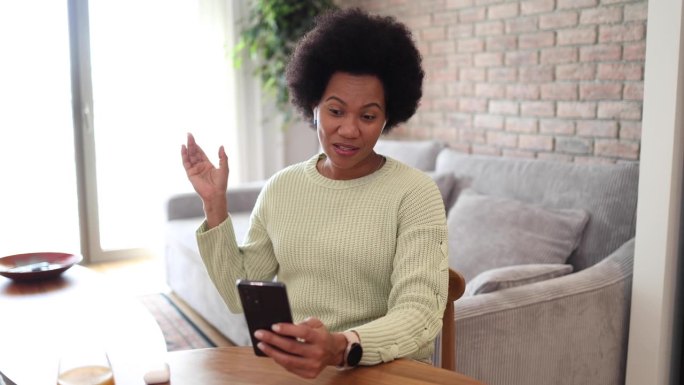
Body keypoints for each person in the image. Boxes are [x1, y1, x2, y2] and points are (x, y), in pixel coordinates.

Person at [181, 8, 448, 379]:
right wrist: (215, 206)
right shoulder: (282, 188)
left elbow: (420, 313)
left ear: (388, 117)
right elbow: (234, 291)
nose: (349, 130)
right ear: (313, 107)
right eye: (336, 110)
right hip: (302, 371)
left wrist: (342, 346)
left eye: (368, 116)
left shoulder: (415, 193)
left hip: (386, 371)